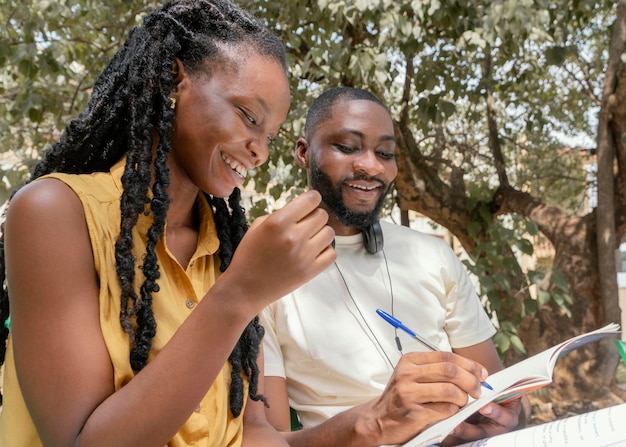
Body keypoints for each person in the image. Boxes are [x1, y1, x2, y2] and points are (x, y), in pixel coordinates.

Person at [0, 1, 336, 445]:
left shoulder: (226, 250)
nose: (260, 150)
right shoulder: (54, 211)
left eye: (270, 135)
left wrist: (375, 423)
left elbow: (254, 436)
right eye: (249, 117)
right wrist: (239, 294)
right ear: (172, 80)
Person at [261, 87, 530, 447]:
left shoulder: (432, 255)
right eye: (347, 147)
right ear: (304, 153)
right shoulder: (265, 271)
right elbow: (270, 440)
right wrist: (370, 425)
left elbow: (502, 394)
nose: (371, 166)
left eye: (385, 153)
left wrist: (507, 414)